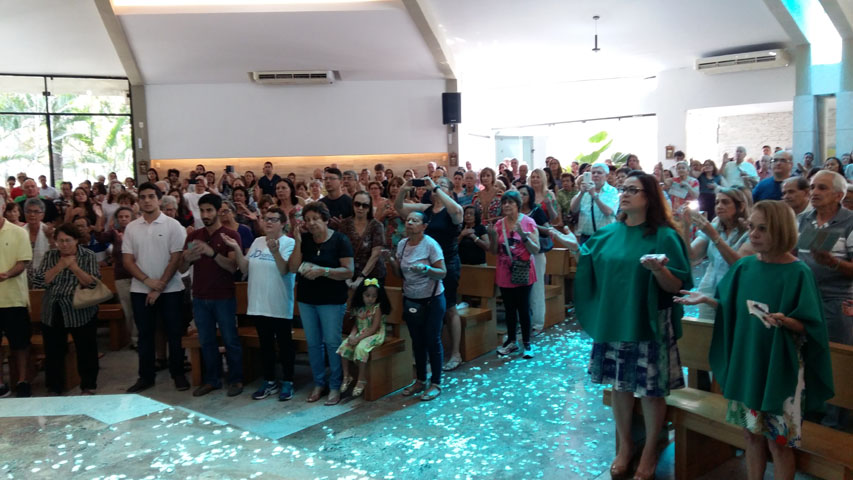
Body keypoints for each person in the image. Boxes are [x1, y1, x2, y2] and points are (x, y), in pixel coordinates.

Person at [676, 200, 834, 480]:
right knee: (750, 435)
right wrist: (709, 300)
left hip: (780, 368)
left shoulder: (798, 272)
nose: (754, 234)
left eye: (763, 228)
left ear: (782, 230)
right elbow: (735, 308)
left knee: (779, 442)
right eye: (751, 227)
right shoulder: (745, 267)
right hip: (749, 363)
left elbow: (811, 325)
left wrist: (787, 321)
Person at [575, 171, 693, 480]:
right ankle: (626, 446)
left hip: (649, 321)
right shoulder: (609, 233)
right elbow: (589, 262)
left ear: (649, 198)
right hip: (615, 319)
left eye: (633, 189)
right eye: (623, 189)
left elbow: (677, 286)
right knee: (620, 386)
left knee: (651, 391)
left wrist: (659, 271)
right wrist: (569, 244)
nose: (625, 194)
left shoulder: (664, 236)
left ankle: (651, 449)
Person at [224, 206, 297, 401]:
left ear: (283, 223)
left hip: (279, 303)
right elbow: (244, 268)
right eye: (266, 218)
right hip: (258, 303)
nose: (268, 222)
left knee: (285, 345)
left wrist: (275, 252)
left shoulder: (289, 242)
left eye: (274, 219)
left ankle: (288, 381)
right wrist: (236, 248)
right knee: (265, 345)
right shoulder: (257, 241)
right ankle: (269, 381)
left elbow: (285, 270)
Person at [123, 182, 189, 393]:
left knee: (174, 333)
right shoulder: (132, 227)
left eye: (151, 196)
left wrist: (159, 287)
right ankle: (146, 376)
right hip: (140, 289)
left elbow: (176, 258)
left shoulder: (173, 225)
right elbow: (128, 260)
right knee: (145, 335)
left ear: (159, 199)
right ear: (138, 201)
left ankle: (178, 373)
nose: (147, 200)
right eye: (143, 197)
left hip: (171, 289)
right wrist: (147, 281)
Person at [395, 176, 464, 371]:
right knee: (427, 310)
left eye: (442, 185)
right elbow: (399, 208)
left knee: (449, 307)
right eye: (434, 184)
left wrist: (435, 188)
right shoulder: (426, 209)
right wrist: (403, 189)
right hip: (423, 264)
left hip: (446, 263)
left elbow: (458, 212)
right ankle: (427, 353)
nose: (436, 187)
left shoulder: (451, 209)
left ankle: (455, 353)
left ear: (449, 191)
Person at [289, 202, 354, 406]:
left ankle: (335, 385)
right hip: (307, 299)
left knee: (332, 342)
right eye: (307, 220)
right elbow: (293, 268)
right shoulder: (306, 240)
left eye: (315, 219)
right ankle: (319, 383)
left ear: (325, 219)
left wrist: (323, 271)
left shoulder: (340, 240)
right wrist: (298, 242)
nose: (311, 223)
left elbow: (349, 271)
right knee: (313, 343)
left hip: (331, 300)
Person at [179, 194, 243, 397]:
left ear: (217, 211)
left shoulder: (230, 235)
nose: (205, 215)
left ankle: (236, 379)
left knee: (230, 339)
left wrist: (212, 253)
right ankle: (212, 380)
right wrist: (186, 258)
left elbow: (232, 267)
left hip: (223, 296)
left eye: (209, 210)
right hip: (200, 296)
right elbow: (182, 268)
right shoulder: (193, 237)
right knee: (206, 341)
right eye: (202, 211)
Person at [32, 223, 101, 395]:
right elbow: (39, 281)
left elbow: (92, 283)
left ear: (76, 240)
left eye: (68, 240)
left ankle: (88, 385)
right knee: (53, 351)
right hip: (53, 309)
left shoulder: (88, 255)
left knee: (86, 349)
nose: (64, 244)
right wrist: (60, 266)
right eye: (60, 241)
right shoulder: (50, 256)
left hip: (81, 309)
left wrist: (74, 268)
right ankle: (54, 387)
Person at [385, 211, 447, 401]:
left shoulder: (430, 245)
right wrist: (392, 261)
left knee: (432, 339)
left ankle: (436, 382)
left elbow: (442, 272)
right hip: (411, 299)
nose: (410, 223)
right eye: (408, 220)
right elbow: (399, 274)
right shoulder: (402, 244)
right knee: (417, 341)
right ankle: (420, 379)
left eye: (415, 220)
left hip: (432, 299)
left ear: (424, 226)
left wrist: (426, 269)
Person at [485, 191, 540, 358]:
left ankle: (527, 343)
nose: (507, 205)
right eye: (504, 203)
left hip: (523, 270)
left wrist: (523, 236)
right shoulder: (499, 224)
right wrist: (492, 237)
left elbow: (535, 249)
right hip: (504, 270)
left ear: (518, 204)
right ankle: (511, 341)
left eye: (510, 202)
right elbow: (494, 251)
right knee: (509, 308)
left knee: (523, 307)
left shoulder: (528, 222)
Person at [687, 188, 751, 320]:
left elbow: (738, 265)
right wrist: (685, 226)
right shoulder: (715, 225)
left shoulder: (750, 231)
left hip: (735, 291)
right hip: (709, 289)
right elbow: (691, 254)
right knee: (705, 329)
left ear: (741, 206)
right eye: (717, 202)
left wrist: (714, 236)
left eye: (725, 202)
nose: (719, 206)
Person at [0, 199, 33, 397]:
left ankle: (22, 380)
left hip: (14, 298)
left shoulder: (19, 232)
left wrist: (6, 274)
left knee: (20, 343)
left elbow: (23, 261)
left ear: (3, 207)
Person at [337, 278, 390, 398]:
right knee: (344, 346)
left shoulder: (377, 308)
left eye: (374, 296)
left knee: (361, 348)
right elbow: (356, 325)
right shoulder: (359, 308)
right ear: (361, 295)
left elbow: (374, 328)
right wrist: (352, 335)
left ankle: (361, 379)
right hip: (361, 333)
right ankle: (346, 376)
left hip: (375, 335)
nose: (370, 299)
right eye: (367, 295)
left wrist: (358, 338)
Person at [95, 207, 137, 348]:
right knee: (128, 310)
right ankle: (135, 339)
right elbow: (99, 237)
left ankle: (144, 337)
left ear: (132, 218)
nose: (123, 219)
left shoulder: (138, 231)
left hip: (139, 275)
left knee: (140, 309)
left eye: (126, 216)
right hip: (121, 276)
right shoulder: (114, 233)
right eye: (121, 216)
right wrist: (100, 218)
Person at [518, 185, 552, 336]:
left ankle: (538, 323)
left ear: (530, 197)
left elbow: (548, 230)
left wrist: (530, 225)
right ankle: (524, 322)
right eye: (519, 194)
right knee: (522, 290)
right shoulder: (515, 212)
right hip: (520, 253)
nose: (521, 197)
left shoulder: (537, 211)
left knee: (536, 289)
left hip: (536, 253)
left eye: (524, 194)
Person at [340, 191, 385, 287]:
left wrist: (361, 277)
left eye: (365, 205)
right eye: (357, 204)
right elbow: (340, 251)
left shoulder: (376, 225)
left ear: (369, 208)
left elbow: (375, 254)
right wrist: (347, 276)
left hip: (372, 274)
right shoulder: (344, 224)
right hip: (349, 272)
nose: (360, 208)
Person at [570, 162, 619, 244]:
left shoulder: (612, 191)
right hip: (585, 238)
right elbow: (573, 209)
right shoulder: (585, 190)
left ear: (606, 176)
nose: (595, 175)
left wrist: (594, 195)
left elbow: (608, 212)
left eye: (599, 173)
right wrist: (581, 193)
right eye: (593, 173)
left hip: (604, 237)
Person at [23, 198, 54, 288]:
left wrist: (50, 238)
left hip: (44, 276)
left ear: (42, 215)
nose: (32, 214)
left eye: (36, 212)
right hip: (22, 276)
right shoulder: (19, 232)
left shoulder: (50, 231)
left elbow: (56, 255)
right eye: (28, 211)